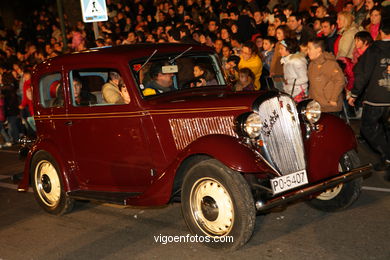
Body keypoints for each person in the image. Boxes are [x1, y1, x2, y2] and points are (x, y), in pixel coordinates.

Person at [348, 18, 390, 175]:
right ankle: (387, 157)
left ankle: (387, 154)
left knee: (367, 128)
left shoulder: (374, 49)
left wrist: (354, 94)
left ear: (380, 33)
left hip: (376, 99)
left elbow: (362, 74)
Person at [307, 38, 345, 113]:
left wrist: (333, 99)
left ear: (318, 49)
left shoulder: (331, 64)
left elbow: (340, 81)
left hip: (329, 107)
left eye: (309, 49)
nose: (307, 51)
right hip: (316, 106)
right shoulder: (311, 64)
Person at [279, 38, 308, 102]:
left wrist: (289, 81)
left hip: (298, 92)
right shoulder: (286, 60)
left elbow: (304, 78)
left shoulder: (297, 61)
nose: (279, 51)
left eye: (281, 49)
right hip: (291, 91)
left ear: (289, 49)